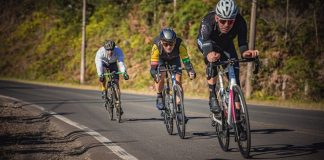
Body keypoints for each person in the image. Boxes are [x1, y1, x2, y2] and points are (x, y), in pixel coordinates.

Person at [197, 0, 258, 139]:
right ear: (217, 18)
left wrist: (246, 53)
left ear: (235, 19)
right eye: (223, 21)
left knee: (234, 81)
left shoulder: (241, 22)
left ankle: (237, 121)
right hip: (208, 43)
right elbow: (205, 42)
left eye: (230, 22)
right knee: (212, 61)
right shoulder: (208, 21)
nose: (226, 25)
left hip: (227, 45)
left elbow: (242, 44)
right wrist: (209, 54)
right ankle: (212, 95)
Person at [150, 28, 196, 121]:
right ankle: (159, 96)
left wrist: (190, 70)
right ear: (161, 42)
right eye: (165, 44)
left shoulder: (180, 45)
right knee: (161, 75)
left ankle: (179, 110)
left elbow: (186, 61)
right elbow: (153, 66)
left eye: (171, 44)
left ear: (175, 42)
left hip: (174, 59)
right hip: (161, 59)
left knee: (178, 81)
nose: (168, 47)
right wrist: (154, 73)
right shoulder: (156, 46)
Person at [95, 40, 129, 113]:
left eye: (111, 50)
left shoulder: (118, 50)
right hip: (103, 63)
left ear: (114, 48)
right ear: (105, 49)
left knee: (116, 81)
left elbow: (120, 62)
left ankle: (118, 104)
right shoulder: (100, 52)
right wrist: (100, 74)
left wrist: (124, 72)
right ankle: (103, 89)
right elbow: (99, 65)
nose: (110, 52)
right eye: (108, 50)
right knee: (103, 77)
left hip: (113, 63)